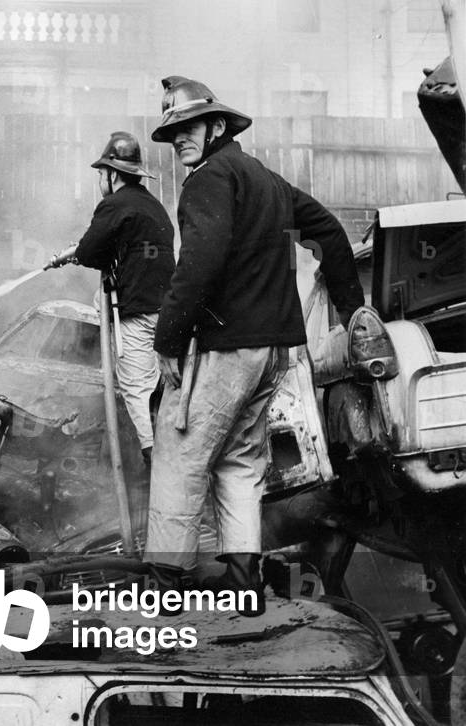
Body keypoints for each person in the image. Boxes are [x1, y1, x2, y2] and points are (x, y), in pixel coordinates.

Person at [143, 76, 364, 614]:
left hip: (225, 348)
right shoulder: (265, 180)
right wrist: (353, 311)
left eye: (187, 129)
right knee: (240, 465)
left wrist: (168, 337)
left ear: (216, 125)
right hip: (272, 352)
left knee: (180, 457)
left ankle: (162, 593)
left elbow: (201, 262)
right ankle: (245, 586)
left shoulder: (208, 179)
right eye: (172, 134)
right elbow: (331, 231)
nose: (179, 142)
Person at [47, 131, 175, 467]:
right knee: (164, 391)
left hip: (137, 312)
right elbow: (134, 250)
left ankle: (157, 464)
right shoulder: (154, 207)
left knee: (137, 389)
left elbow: (92, 251)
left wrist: (80, 253)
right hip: (168, 310)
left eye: (101, 174)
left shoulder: (114, 204)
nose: (100, 181)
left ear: (113, 174)